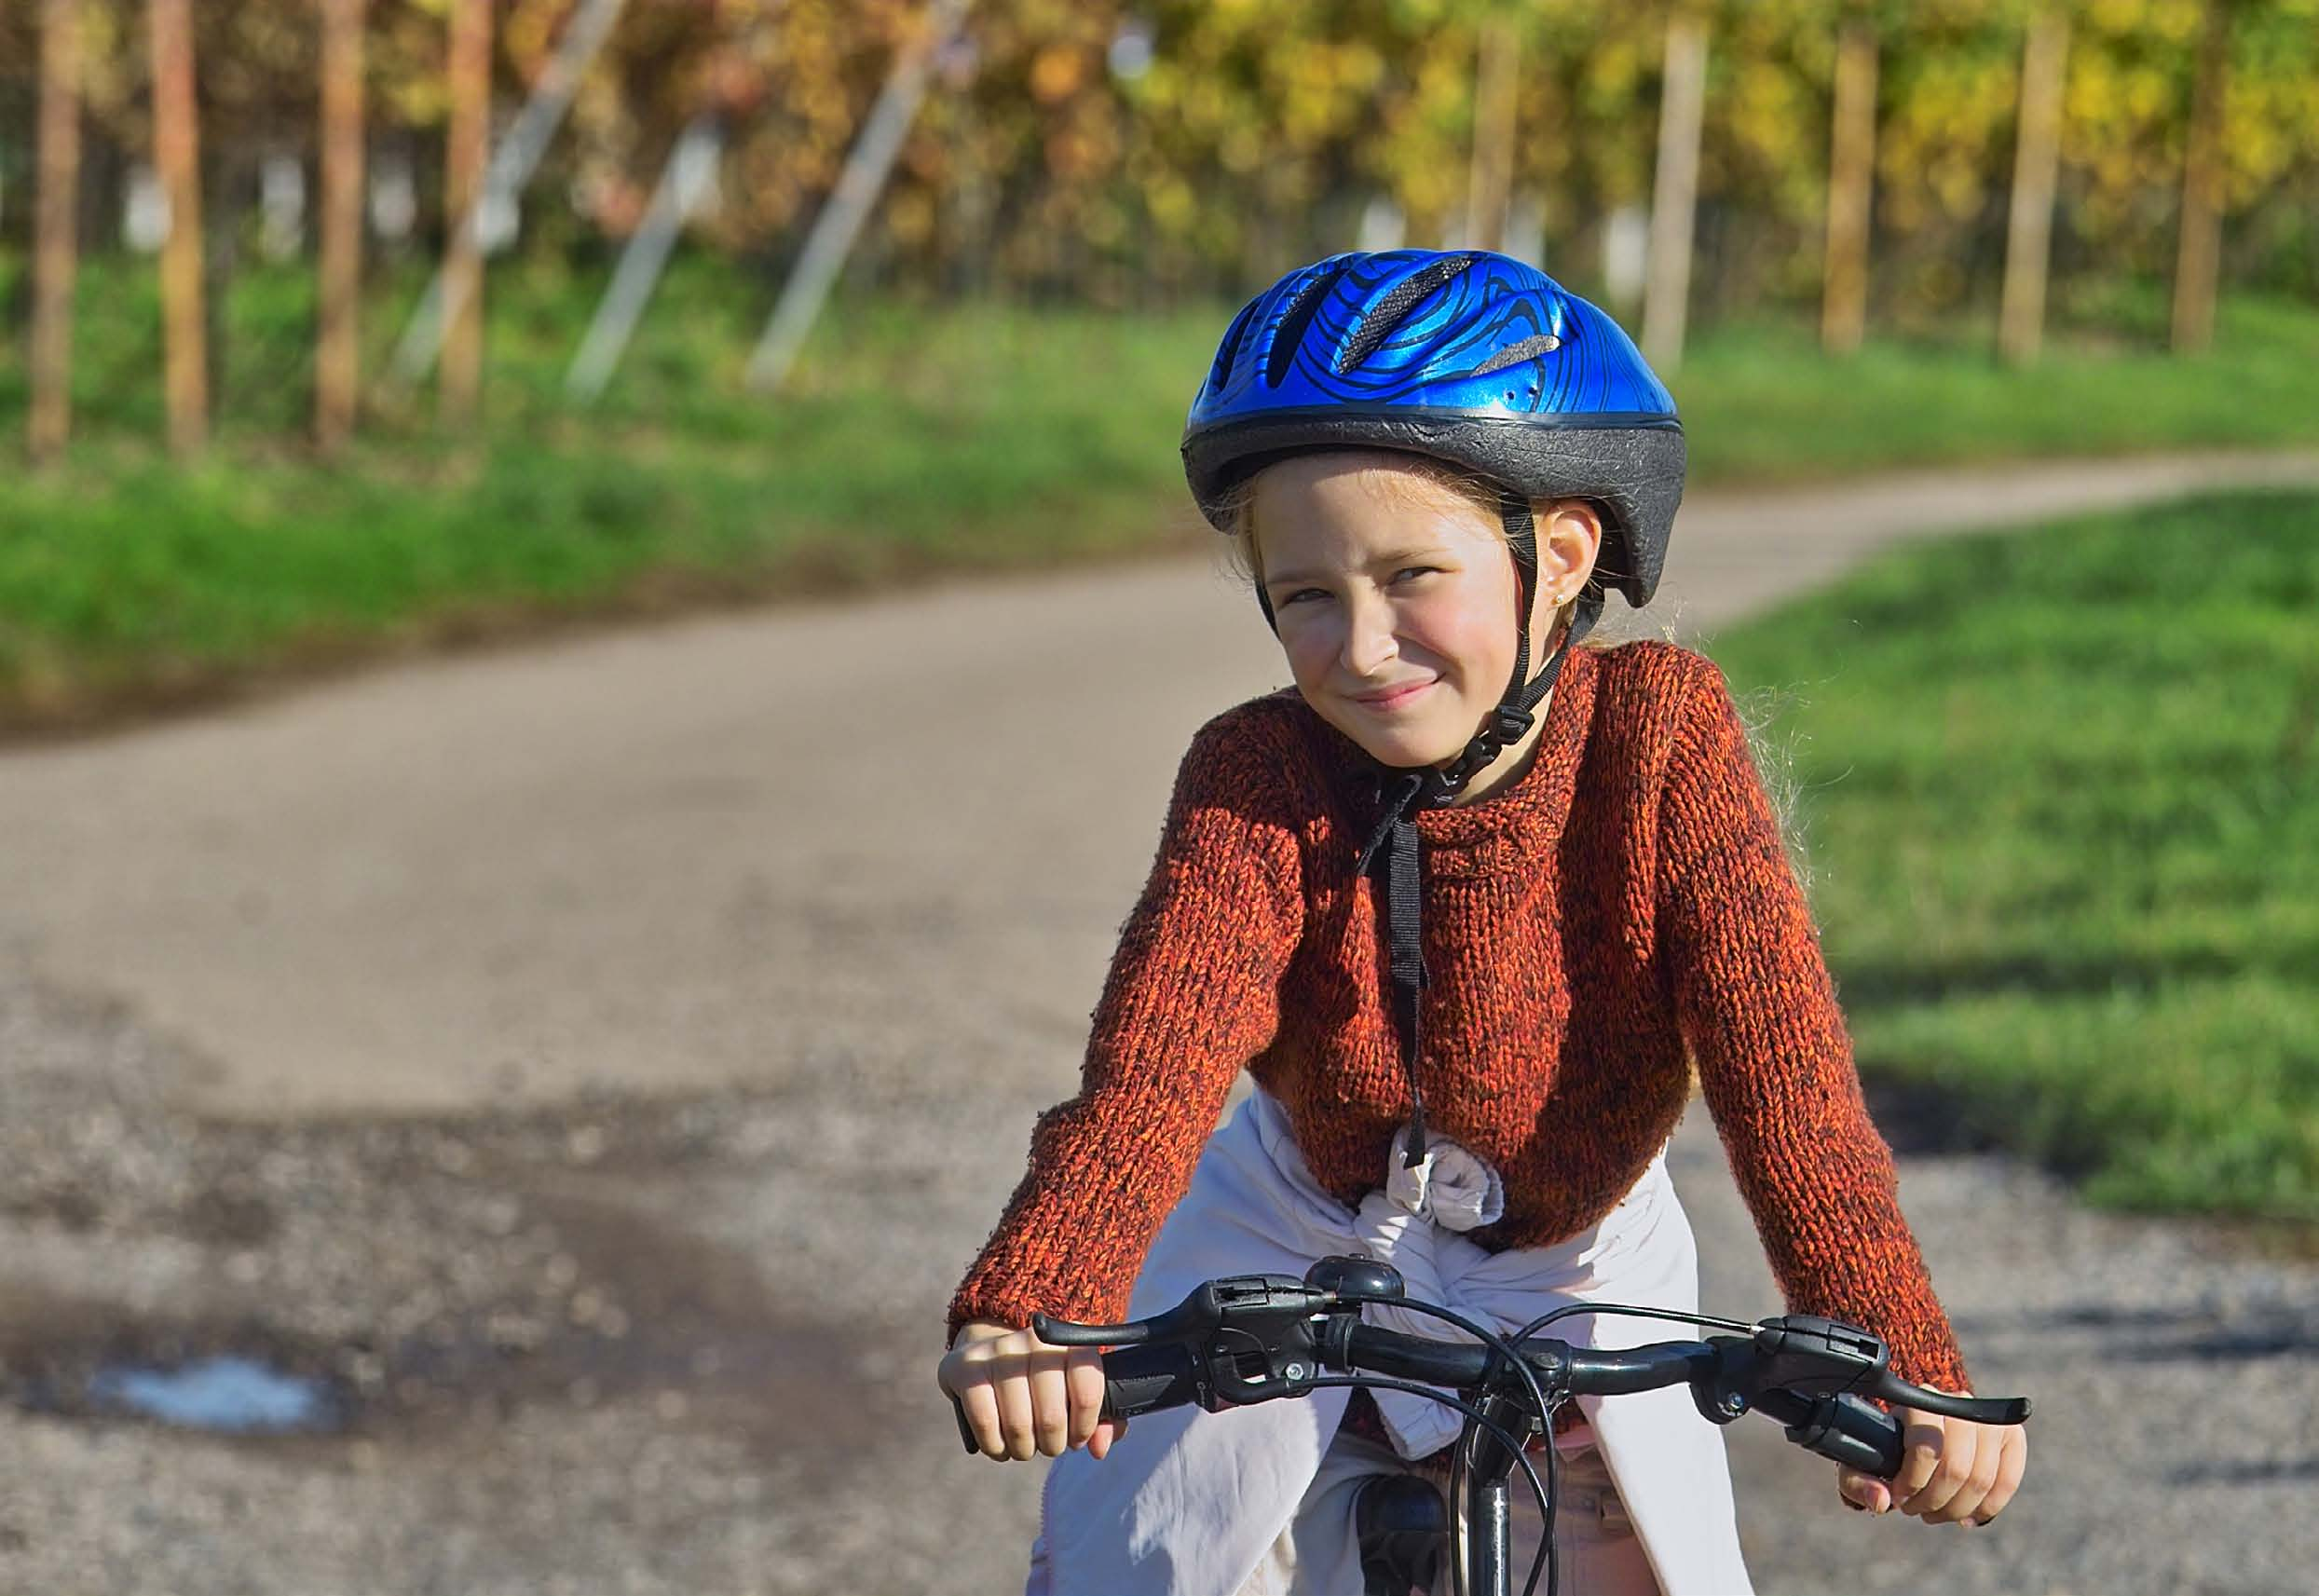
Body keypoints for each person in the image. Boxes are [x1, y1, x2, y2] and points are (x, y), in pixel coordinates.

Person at [935, 249, 2027, 1596]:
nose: (1364, 646)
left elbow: (1789, 1090)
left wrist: (1896, 1355)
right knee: (1138, 1565)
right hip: (1288, 1234)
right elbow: (1145, 1085)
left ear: (1559, 554)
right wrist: (1034, 1303)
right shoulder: (1257, 772)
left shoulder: (1662, 744)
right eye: (1308, 598)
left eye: (1413, 577)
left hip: (1576, 1261)